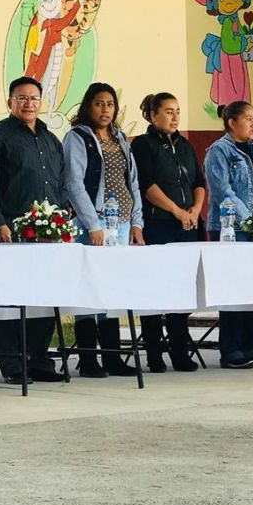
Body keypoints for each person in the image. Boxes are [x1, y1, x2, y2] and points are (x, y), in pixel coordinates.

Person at [0, 76, 66, 384]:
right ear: (10, 102)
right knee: (11, 298)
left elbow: (61, 182)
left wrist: (62, 216)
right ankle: (13, 364)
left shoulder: (50, 138)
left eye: (34, 98)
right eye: (22, 98)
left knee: (44, 297)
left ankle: (40, 361)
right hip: (12, 229)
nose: (29, 103)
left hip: (48, 234)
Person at [63, 82, 144, 378]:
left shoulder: (120, 138)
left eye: (110, 104)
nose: (105, 109)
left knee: (110, 289)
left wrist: (137, 223)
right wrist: (92, 224)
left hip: (121, 223)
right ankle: (88, 359)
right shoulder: (77, 138)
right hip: (93, 224)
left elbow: (132, 181)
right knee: (90, 287)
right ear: (88, 106)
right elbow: (73, 182)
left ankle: (112, 357)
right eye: (99, 103)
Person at [131, 93, 204, 373]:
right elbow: (146, 185)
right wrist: (176, 210)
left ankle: (179, 351)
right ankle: (153, 353)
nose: (175, 117)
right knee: (154, 289)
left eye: (177, 112)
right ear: (152, 114)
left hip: (187, 225)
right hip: (159, 224)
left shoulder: (184, 144)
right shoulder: (143, 144)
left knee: (181, 290)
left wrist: (195, 210)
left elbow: (197, 180)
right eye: (169, 112)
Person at [204, 100, 253, 369]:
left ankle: (251, 346)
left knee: (252, 288)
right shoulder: (219, 151)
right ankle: (231, 349)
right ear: (231, 122)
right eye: (248, 118)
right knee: (233, 288)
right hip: (230, 228)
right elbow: (224, 192)